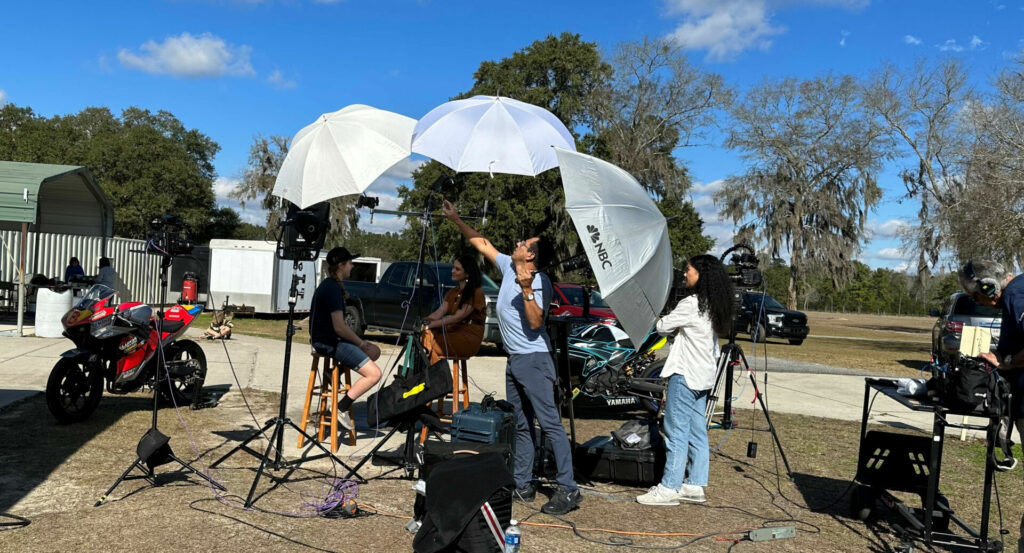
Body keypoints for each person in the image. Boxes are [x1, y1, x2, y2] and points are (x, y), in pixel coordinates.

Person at [442, 199, 581, 516]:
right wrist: (456, 218)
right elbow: (482, 243)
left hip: (534, 360)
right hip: (515, 359)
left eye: (525, 243)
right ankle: (523, 484)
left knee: (549, 425)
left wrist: (527, 289)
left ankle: (568, 489)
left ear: (530, 256)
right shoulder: (507, 266)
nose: (518, 243)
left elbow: (535, 322)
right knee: (521, 424)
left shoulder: (538, 281)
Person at [637, 255, 734, 506]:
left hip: (686, 375)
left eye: (688, 270)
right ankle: (694, 484)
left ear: (700, 274)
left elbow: (661, 326)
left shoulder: (692, 304)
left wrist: (659, 315)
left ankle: (669, 488)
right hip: (703, 377)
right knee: (697, 430)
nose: (684, 274)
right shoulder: (714, 304)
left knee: (675, 431)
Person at [957, 259, 1024, 553]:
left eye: (976, 295)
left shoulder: (1015, 294)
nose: (977, 301)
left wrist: (1006, 362)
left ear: (989, 286)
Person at [310, 247, 382, 430]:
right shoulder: (332, 288)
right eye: (350, 263)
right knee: (374, 374)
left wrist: (362, 344)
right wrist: (360, 342)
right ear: (341, 266)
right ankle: (341, 408)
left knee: (375, 351)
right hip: (329, 343)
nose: (352, 265)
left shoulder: (330, 285)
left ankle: (336, 372)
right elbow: (339, 327)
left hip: (328, 340)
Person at [421, 255, 487, 365]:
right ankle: (427, 376)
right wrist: (423, 322)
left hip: (468, 336)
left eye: (457, 269)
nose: (452, 271)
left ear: (467, 273)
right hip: (452, 331)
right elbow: (439, 312)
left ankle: (433, 378)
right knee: (424, 336)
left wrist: (431, 324)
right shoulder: (453, 292)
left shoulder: (476, 292)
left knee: (432, 343)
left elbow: (458, 317)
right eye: (453, 268)